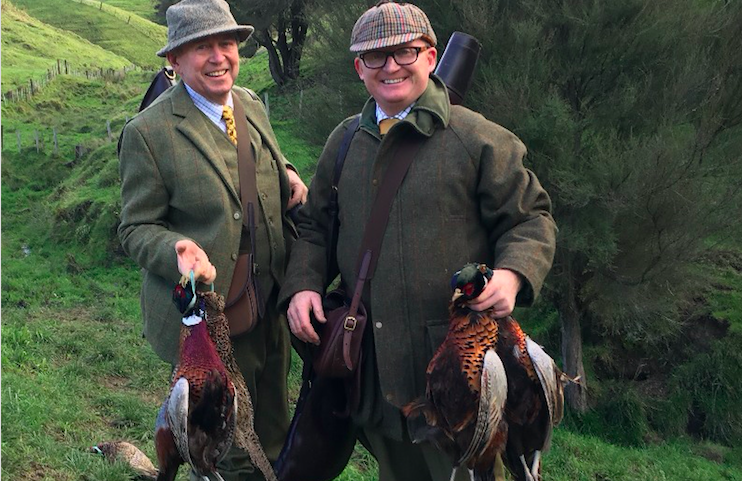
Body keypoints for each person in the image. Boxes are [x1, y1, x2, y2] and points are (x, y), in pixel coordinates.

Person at [278, 1, 557, 480]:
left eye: (404, 52)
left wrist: (513, 275)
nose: (390, 66)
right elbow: (316, 228)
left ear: (430, 56)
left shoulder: (479, 139)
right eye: (375, 56)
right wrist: (303, 284)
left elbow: (531, 219)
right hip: (371, 369)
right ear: (359, 68)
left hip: (459, 376)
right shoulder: (343, 142)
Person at [117, 0, 308, 479]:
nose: (219, 56)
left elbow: (263, 157)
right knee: (227, 445)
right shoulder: (148, 132)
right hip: (209, 320)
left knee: (274, 426)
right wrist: (175, 250)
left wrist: (286, 173)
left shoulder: (249, 103)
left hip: (270, 302)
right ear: (174, 60)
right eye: (202, 47)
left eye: (226, 43)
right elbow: (135, 227)